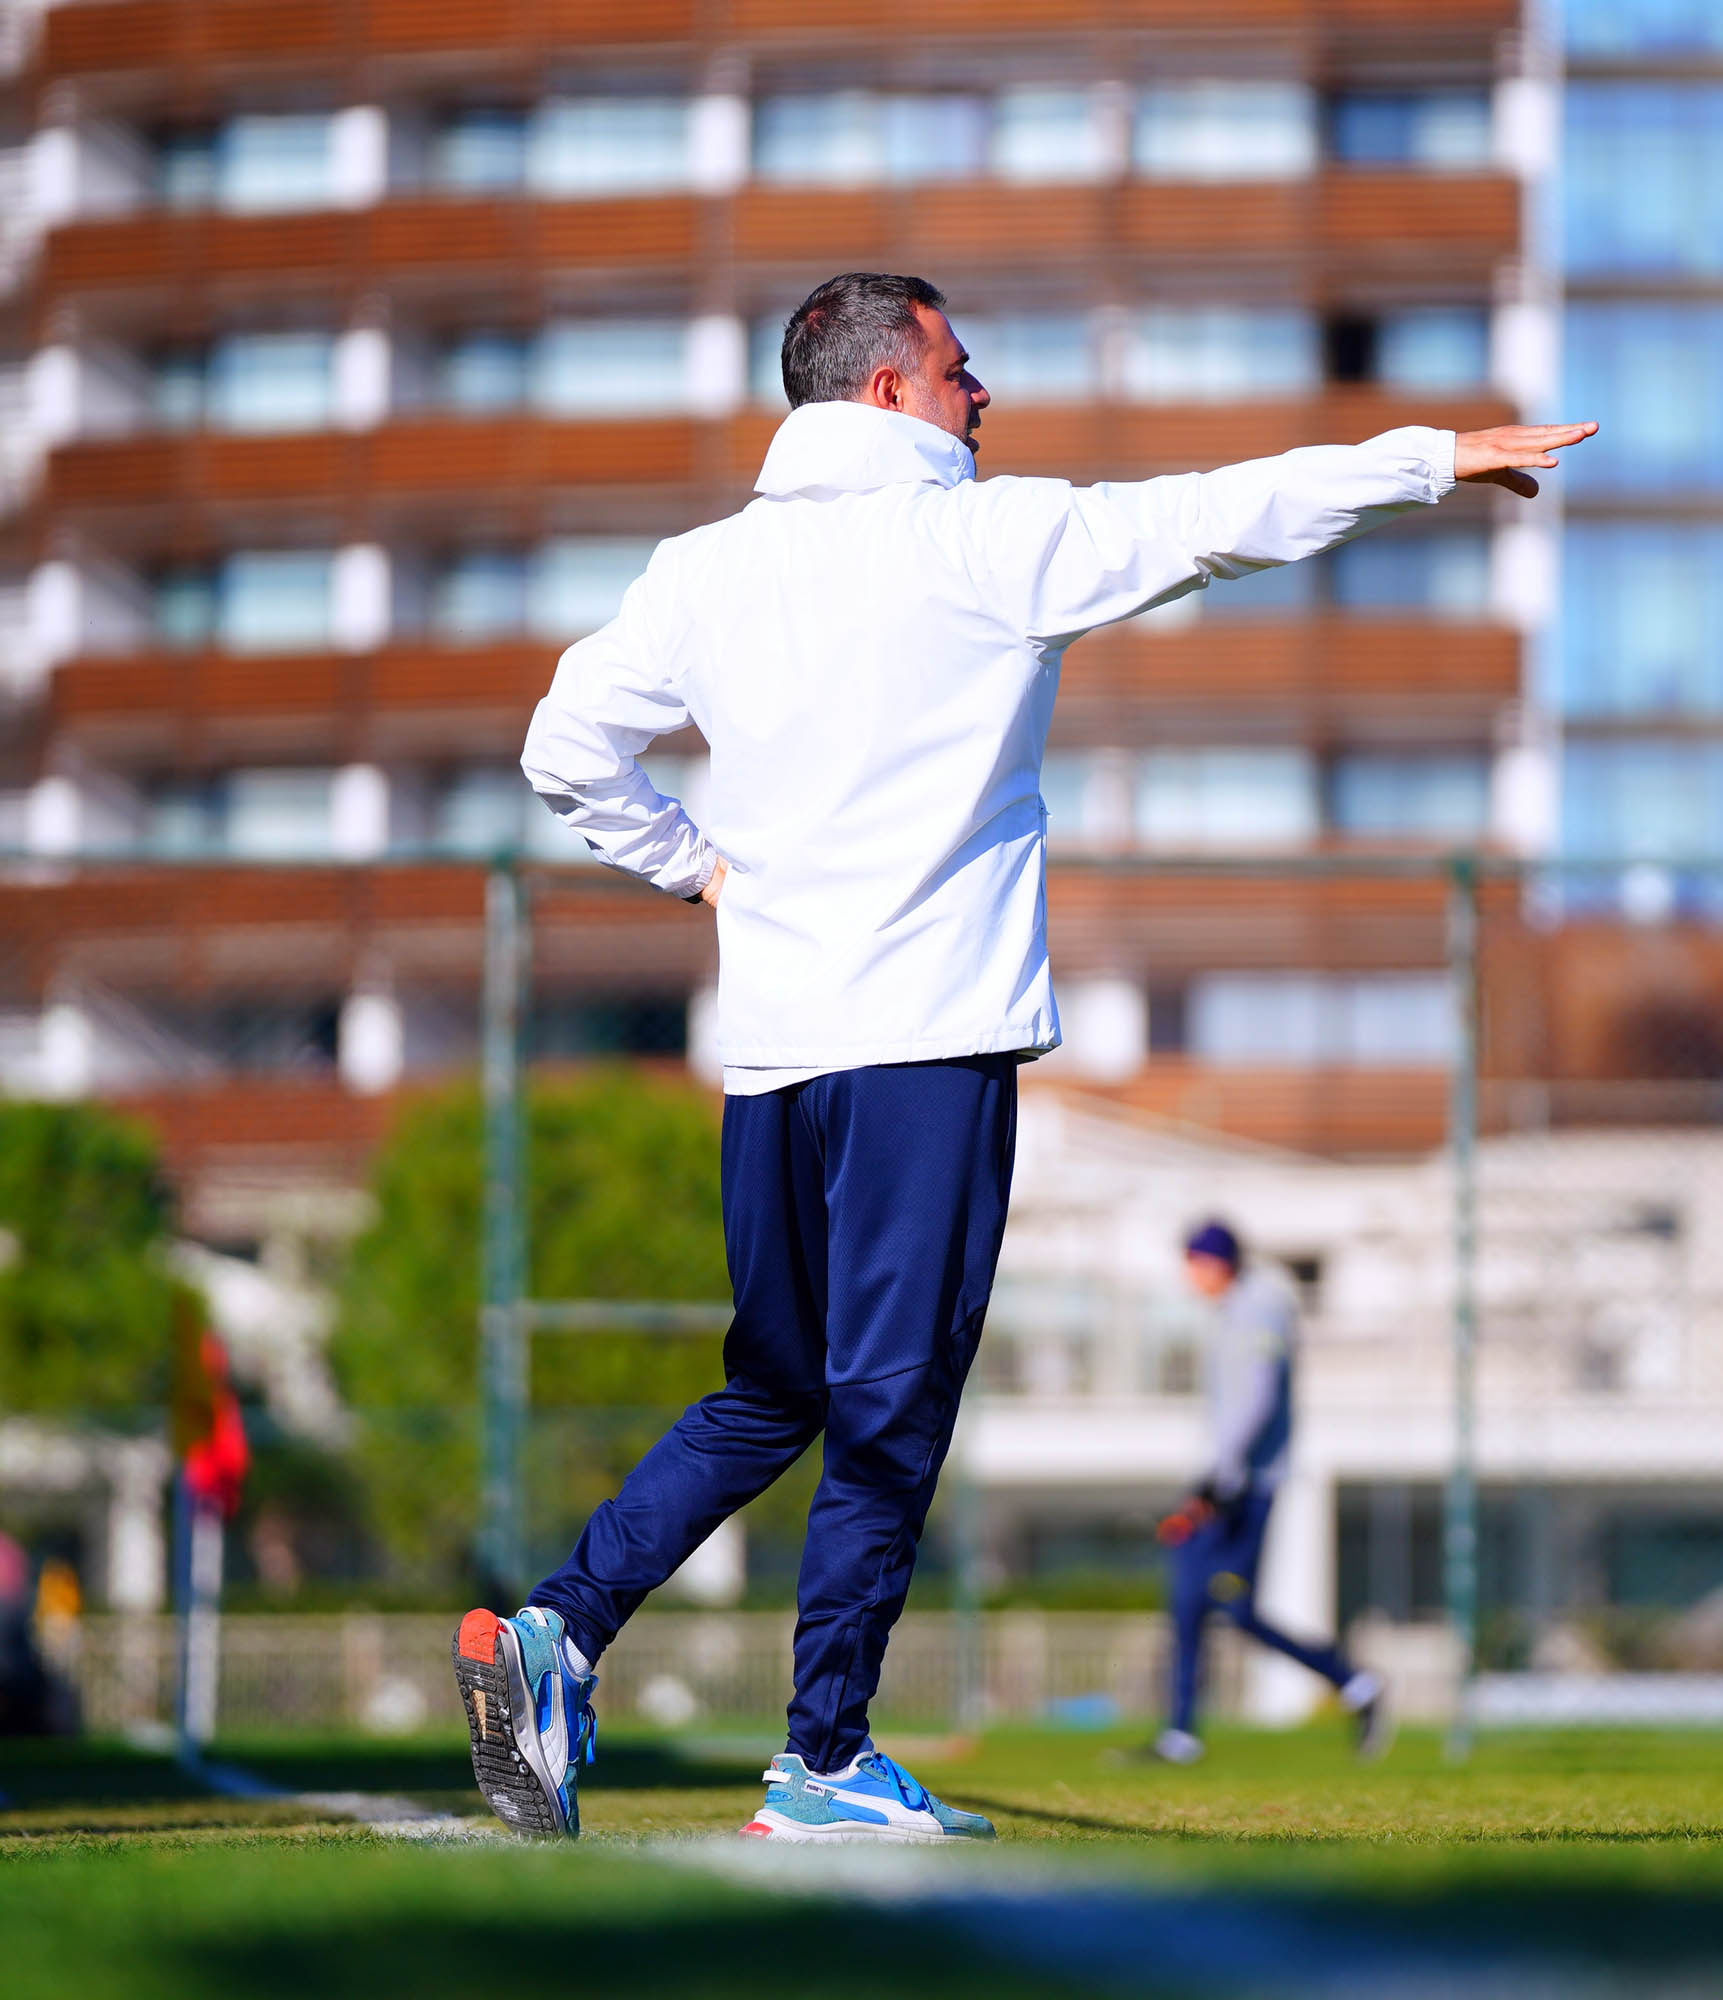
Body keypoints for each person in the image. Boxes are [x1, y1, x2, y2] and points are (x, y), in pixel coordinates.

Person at [450, 269, 1592, 1842]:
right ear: (884, 392)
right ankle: (825, 1759)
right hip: (923, 1052)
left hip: (774, 1059)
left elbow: (560, 743)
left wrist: (699, 869)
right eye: (958, 368)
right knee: (890, 1405)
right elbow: (1212, 517)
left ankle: (559, 1631)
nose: (983, 395)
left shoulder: (701, 573)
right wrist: (1426, 458)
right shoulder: (979, 543)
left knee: (773, 1387)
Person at [1153, 1220, 1388, 1764]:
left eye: (1193, 1264)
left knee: (1230, 1607)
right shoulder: (1236, 1308)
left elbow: (1256, 1398)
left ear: (1216, 1262)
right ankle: (1181, 1734)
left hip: (1245, 1488)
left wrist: (1218, 1477)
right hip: (1227, 1482)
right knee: (1194, 1597)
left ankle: (1354, 1683)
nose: (1189, 1277)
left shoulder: (1260, 1306)